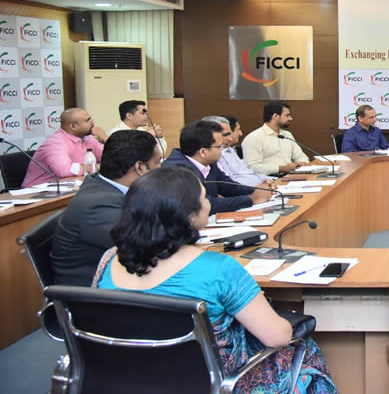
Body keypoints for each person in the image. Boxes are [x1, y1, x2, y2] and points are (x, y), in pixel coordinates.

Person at [95, 167, 338, 393]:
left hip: (121, 376)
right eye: (204, 198)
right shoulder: (219, 269)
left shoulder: (108, 260)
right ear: (189, 216)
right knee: (304, 349)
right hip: (202, 381)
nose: (209, 203)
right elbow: (277, 337)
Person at [50, 130, 162, 286]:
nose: (161, 168)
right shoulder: (97, 206)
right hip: (93, 292)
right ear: (140, 167)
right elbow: (145, 246)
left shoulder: (108, 188)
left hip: (121, 278)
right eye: (158, 162)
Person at [163, 120, 272, 214]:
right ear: (203, 152)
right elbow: (203, 204)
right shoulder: (177, 171)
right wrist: (251, 199)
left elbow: (228, 187)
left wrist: (258, 190)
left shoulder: (208, 162)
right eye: (220, 146)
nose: (222, 150)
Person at [22, 108, 108, 188]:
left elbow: (112, 158)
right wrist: (96, 167)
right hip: (36, 192)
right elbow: (64, 171)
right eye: (87, 120)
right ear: (73, 126)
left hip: (69, 187)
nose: (92, 123)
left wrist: (105, 138)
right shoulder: (55, 143)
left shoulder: (88, 138)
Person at [241, 101, 309, 175]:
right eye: (287, 115)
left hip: (291, 175)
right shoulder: (253, 138)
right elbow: (252, 167)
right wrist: (281, 168)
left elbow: (300, 156)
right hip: (269, 179)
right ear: (275, 116)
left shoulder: (287, 135)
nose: (290, 118)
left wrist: (302, 163)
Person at [211, 115, 270, 187]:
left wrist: (272, 180)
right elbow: (231, 184)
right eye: (226, 134)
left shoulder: (230, 150)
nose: (230, 138)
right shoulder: (216, 156)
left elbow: (249, 172)